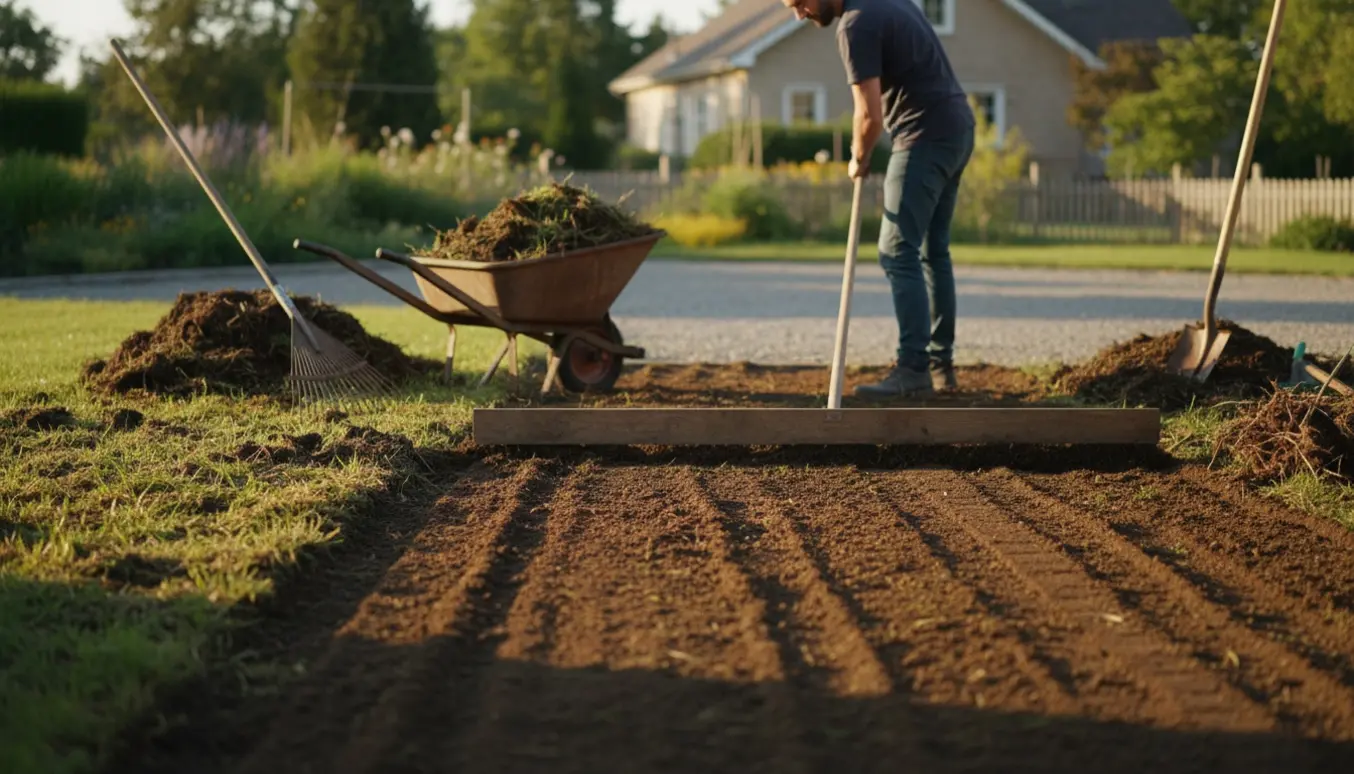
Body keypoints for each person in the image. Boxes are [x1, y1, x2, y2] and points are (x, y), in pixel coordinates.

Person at [783, 0, 975, 397]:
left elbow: (869, 115)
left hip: (923, 135)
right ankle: (940, 366)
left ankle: (913, 369)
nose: (799, 14)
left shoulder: (855, 24)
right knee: (932, 251)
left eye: (800, 2)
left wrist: (859, 156)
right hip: (956, 128)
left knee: (896, 250)